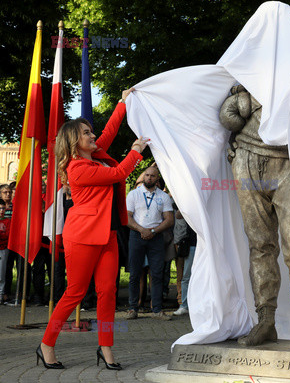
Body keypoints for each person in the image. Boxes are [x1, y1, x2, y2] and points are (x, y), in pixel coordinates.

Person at [37, 88, 148, 370]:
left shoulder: (96, 154)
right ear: (75, 140)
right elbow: (119, 173)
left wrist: (122, 103)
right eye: (86, 133)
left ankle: (106, 349)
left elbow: (109, 131)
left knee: (108, 291)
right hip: (82, 237)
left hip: (108, 235)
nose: (92, 136)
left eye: (90, 131)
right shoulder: (77, 168)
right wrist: (135, 152)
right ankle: (46, 344)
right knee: (74, 293)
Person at [219, 85, 290, 351]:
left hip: (288, 162)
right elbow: (227, 117)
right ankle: (265, 321)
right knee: (260, 246)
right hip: (246, 159)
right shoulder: (246, 76)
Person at [126, 166, 174, 321]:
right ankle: (133, 308)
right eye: (146, 175)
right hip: (136, 235)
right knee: (134, 273)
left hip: (156, 237)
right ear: (143, 176)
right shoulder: (133, 194)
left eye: (152, 176)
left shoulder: (163, 197)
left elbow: (169, 219)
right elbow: (127, 218)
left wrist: (152, 231)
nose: (149, 178)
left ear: (157, 179)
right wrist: (142, 230)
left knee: (157, 274)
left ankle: (157, 310)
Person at [173, 210, 196, 316]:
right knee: (186, 276)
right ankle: (184, 305)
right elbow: (178, 215)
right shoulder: (187, 203)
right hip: (192, 244)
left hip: (203, 244)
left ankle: (190, 305)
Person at [0, 199, 11, 304]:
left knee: (1, 273)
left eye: (3, 208)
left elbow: (7, 235)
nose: (1, 211)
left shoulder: (7, 221)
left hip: (3, 249)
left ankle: (1, 294)